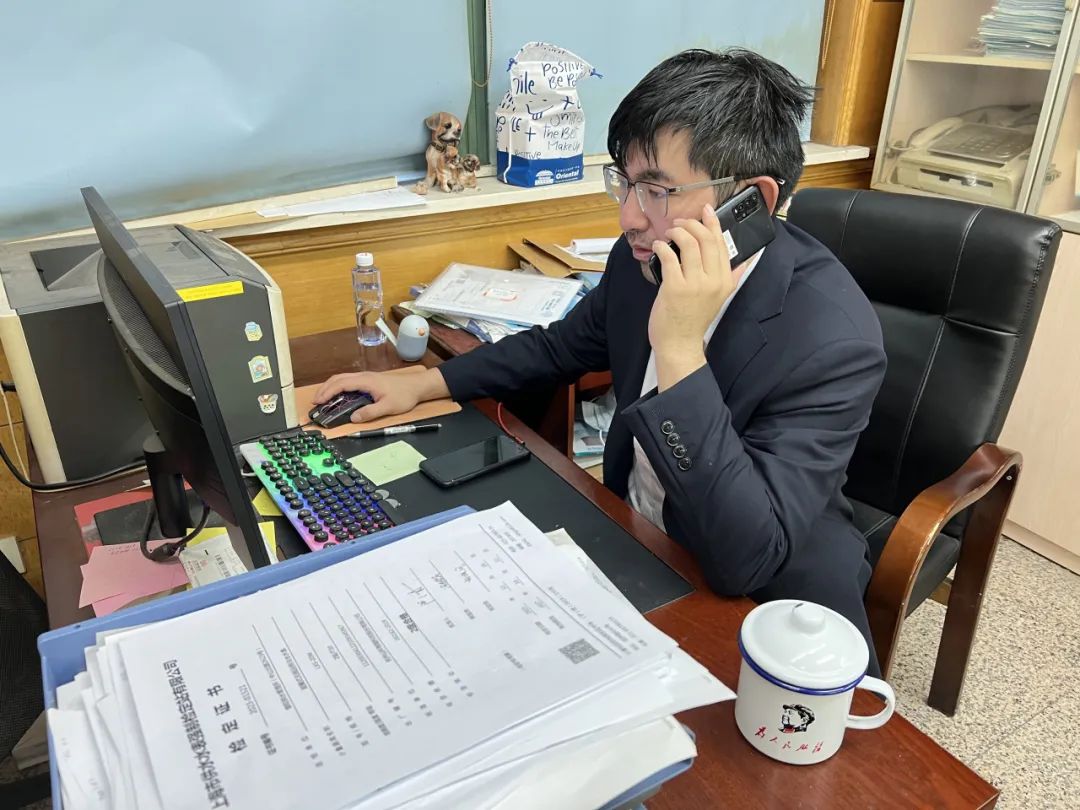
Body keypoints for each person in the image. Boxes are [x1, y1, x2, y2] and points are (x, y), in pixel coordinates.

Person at [315, 49, 887, 669]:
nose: (628, 217)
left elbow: (742, 557)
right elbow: (560, 346)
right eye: (625, 182)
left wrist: (679, 348)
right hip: (638, 538)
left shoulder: (835, 341)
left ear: (751, 201)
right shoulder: (644, 260)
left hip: (769, 606)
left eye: (658, 191)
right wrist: (426, 383)